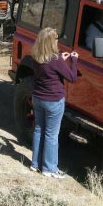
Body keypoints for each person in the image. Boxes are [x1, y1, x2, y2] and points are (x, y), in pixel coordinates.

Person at [30, 27, 78, 179]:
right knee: (51, 134)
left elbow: (49, 67)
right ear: (51, 42)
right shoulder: (55, 60)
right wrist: (74, 61)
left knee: (39, 130)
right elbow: (72, 77)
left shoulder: (36, 56)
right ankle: (49, 169)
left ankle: (35, 164)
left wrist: (61, 59)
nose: (58, 41)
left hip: (37, 98)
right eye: (56, 39)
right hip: (53, 101)